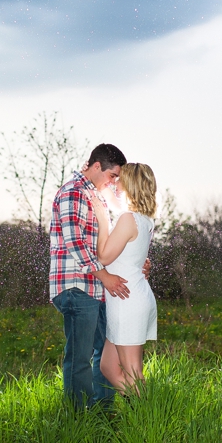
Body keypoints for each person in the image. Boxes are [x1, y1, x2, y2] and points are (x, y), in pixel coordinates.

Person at [49, 143, 130, 410]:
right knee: (80, 357)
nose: (114, 181)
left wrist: (134, 261)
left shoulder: (96, 197)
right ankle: (78, 419)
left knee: (105, 353)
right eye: (113, 175)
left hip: (95, 287)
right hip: (75, 287)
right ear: (97, 166)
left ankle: (102, 413)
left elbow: (103, 245)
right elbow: (76, 244)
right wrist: (106, 277)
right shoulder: (73, 193)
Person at [92, 162, 158, 395]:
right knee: (108, 366)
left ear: (130, 184)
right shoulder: (143, 219)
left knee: (133, 372)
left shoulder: (128, 219)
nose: (115, 182)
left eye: (120, 179)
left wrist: (102, 221)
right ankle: (139, 408)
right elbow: (111, 197)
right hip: (131, 298)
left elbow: (104, 257)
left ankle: (147, 419)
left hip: (127, 301)